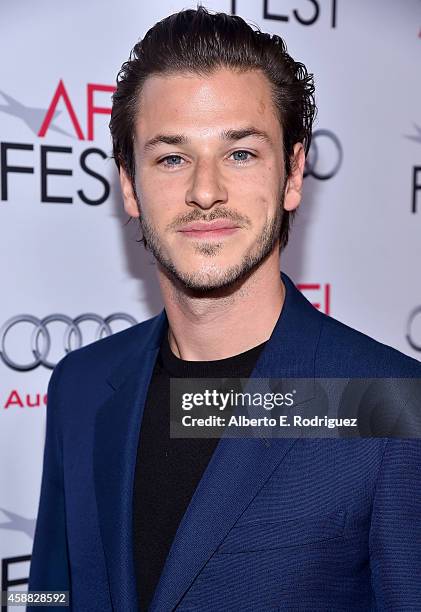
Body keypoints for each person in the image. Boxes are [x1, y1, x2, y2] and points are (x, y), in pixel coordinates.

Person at [28, 6, 421, 611]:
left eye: (240, 153)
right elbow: (52, 590)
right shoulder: (80, 386)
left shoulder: (388, 404)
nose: (205, 190)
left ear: (292, 174)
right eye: (171, 157)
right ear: (130, 186)